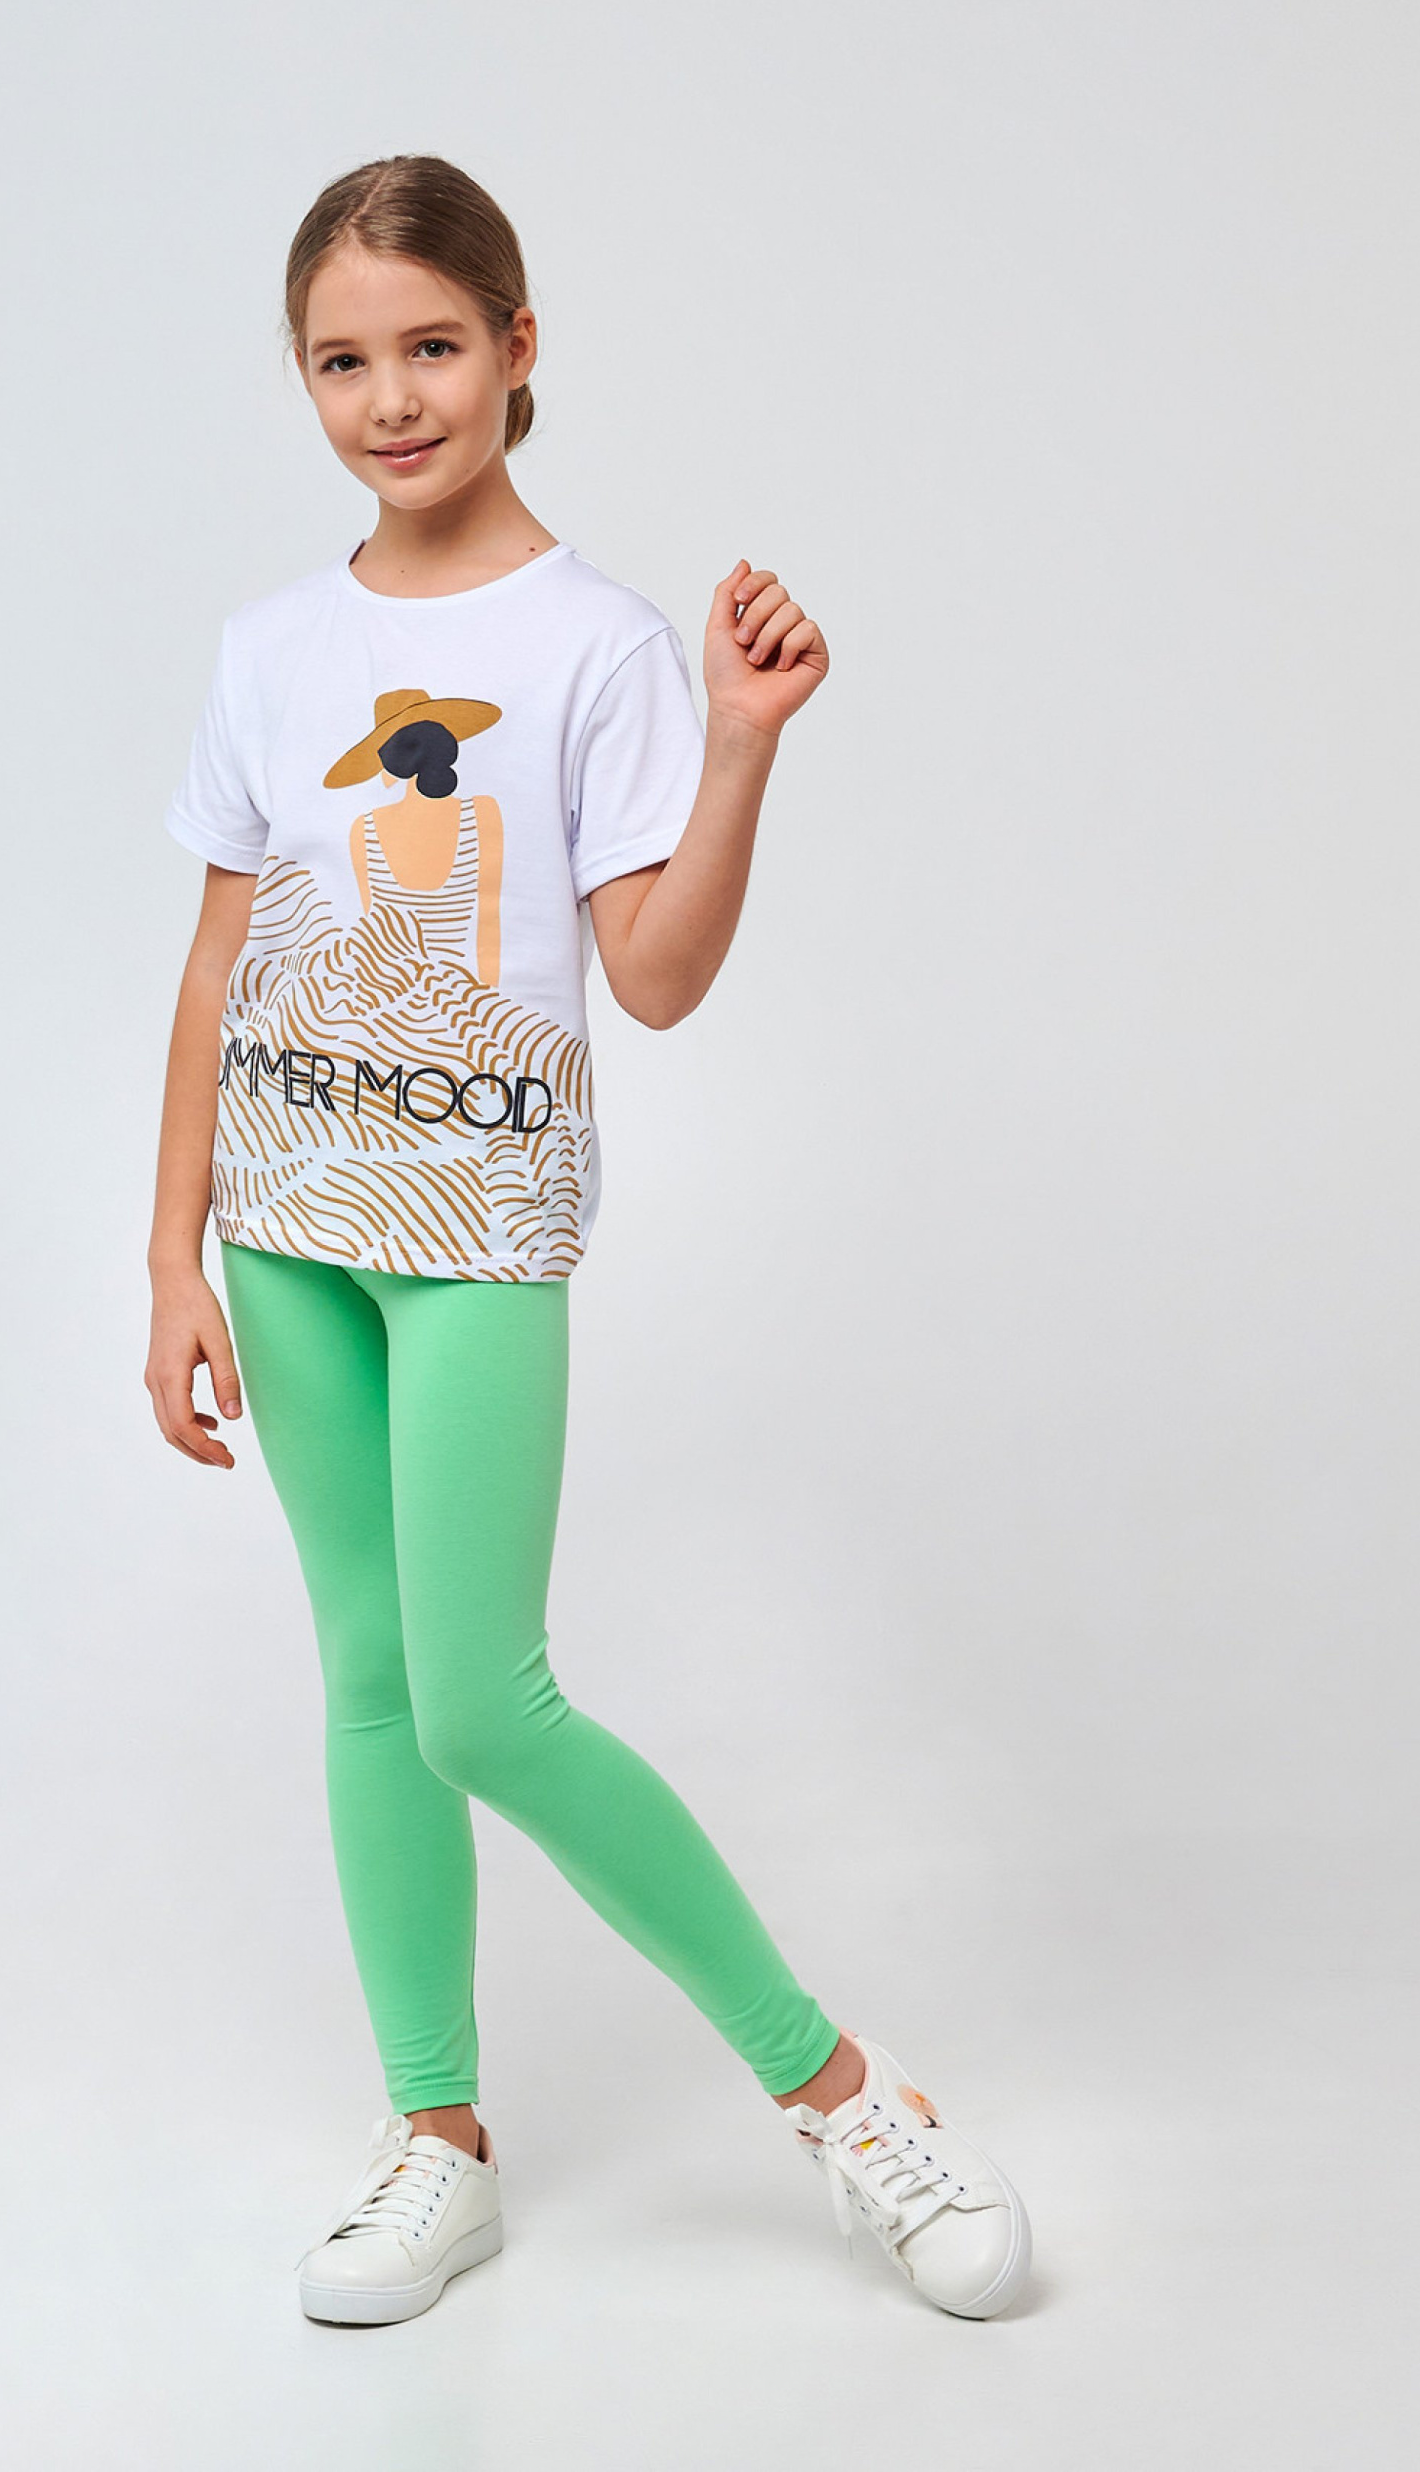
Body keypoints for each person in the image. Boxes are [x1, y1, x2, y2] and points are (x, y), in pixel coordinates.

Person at [146, 154, 1031, 2327]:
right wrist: (172, 1257)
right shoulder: (269, 649)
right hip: (284, 1227)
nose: (390, 398)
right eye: (341, 361)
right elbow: (215, 963)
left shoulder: (596, 645)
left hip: (476, 1230)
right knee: (373, 1685)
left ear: (516, 347)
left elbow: (651, 975)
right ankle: (433, 2138)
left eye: (431, 346)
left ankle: (840, 2096)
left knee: (482, 1700)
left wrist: (735, 752)